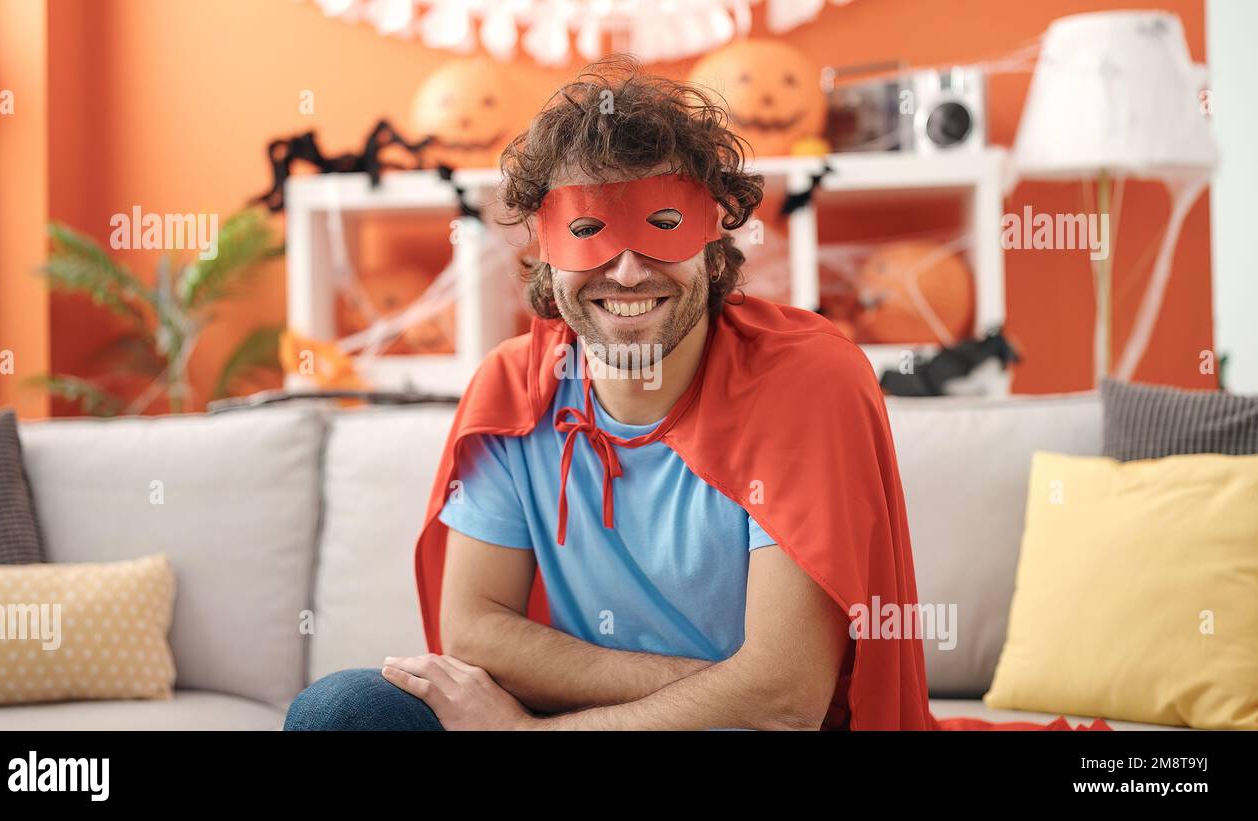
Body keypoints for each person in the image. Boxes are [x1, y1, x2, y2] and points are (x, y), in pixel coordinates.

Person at [285, 57, 932, 731]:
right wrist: (724, 684)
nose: (626, 270)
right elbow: (473, 629)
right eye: (589, 231)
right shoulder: (515, 388)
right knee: (342, 712)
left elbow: (786, 698)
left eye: (663, 225)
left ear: (713, 246)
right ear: (544, 252)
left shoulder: (805, 382)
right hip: (599, 716)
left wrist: (529, 732)